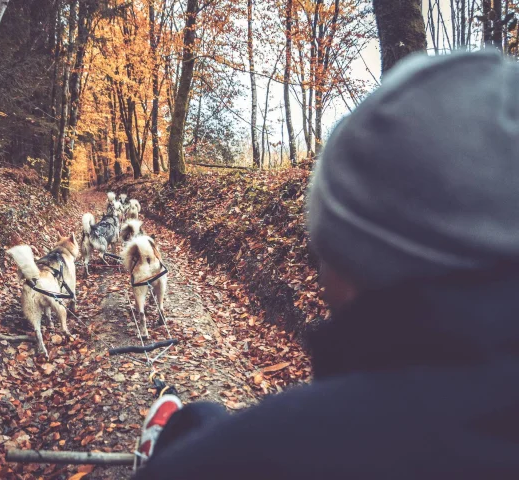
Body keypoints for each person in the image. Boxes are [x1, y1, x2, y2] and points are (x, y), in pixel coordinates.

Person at [133, 49, 519, 479]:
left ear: (350, 258)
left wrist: (190, 438)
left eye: (323, 246)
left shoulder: (232, 459)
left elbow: (296, 444)